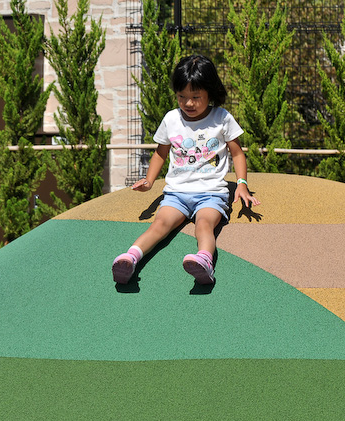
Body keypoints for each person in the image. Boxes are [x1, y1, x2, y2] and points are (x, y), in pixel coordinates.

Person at [112, 54, 261, 285]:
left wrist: (242, 184)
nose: (188, 103)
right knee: (159, 224)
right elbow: (160, 152)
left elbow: (238, 153)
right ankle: (130, 258)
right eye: (182, 96)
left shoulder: (222, 118)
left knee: (203, 224)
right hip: (177, 193)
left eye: (195, 97)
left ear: (210, 92)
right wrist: (150, 181)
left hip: (211, 192)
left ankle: (204, 261)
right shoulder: (172, 119)